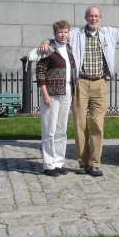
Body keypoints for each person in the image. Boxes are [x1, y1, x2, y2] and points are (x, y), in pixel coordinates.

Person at [39, 7, 119, 177]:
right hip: (81, 83)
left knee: (97, 125)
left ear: (101, 18)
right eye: (91, 16)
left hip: (100, 83)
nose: (93, 19)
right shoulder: (76, 34)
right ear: (86, 17)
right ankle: (83, 162)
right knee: (79, 125)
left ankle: (94, 163)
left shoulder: (109, 34)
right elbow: (60, 36)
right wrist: (46, 41)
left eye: (96, 16)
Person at [35, 20, 77, 176]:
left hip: (66, 91)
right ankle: (49, 164)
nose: (63, 34)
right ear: (55, 34)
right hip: (51, 93)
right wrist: (44, 93)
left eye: (65, 31)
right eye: (60, 32)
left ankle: (58, 162)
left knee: (61, 130)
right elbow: (40, 72)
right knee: (49, 130)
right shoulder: (49, 49)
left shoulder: (70, 49)